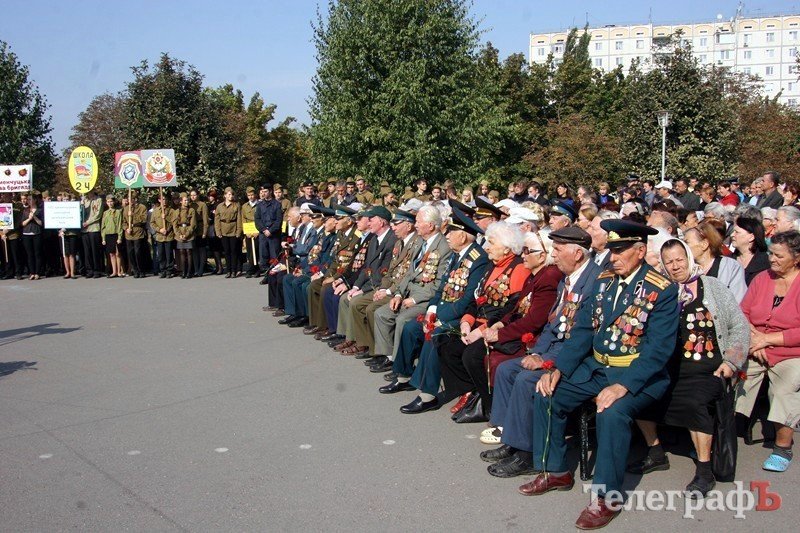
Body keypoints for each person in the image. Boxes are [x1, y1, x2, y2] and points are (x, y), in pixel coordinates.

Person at [521, 219, 678, 530]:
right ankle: (555, 471)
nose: (613, 257)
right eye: (611, 250)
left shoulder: (661, 289)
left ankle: (607, 497)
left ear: (640, 251)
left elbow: (658, 351)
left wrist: (623, 386)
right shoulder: (604, 281)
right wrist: (558, 369)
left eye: (620, 251)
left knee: (611, 411)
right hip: (598, 366)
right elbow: (582, 331)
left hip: (638, 375)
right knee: (548, 392)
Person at [630, 239, 749, 497]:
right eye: (669, 262)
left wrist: (731, 362)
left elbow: (739, 326)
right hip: (672, 367)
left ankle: (704, 471)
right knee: (638, 393)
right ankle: (655, 451)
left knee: (694, 402)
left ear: (689, 258)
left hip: (709, 367)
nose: (675, 266)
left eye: (679, 259)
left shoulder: (713, 286)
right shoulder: (662, 291)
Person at [481, 227, 601, 477]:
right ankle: (511, 440)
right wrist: (536, 352)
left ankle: (526, 454)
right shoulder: (567, 279)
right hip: (555, 348)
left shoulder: (595, 282)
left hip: (576, 357)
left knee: (526, 380)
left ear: (577, 254)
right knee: (507, 369)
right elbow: (551, 326)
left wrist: (546, 359)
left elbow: (584, 337)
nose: (553, 255)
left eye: (557, 249)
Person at [388, 207, 489, 413]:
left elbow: (468, 299)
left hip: (460, 317)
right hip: (442, 310)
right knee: (411, 328)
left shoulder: (478, 259)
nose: (447, 235)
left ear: (463, 235)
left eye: (451, 232)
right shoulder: (456, 255)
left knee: (435, 335)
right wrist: (431, 311)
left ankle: (427, 395)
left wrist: (438, 318)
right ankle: (403, 375)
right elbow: (442, 288)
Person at [736, 230, 800, 472]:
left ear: (796, 258)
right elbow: (743, 312)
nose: (772, 259)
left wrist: (768, 339)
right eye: (771, 253)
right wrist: (755, 338)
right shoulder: (762, 278)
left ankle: (783, 446)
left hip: (791, 352)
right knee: (728, 372)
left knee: (784, 388)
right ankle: (721, 432)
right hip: (754, 344)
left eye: (779, 256)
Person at [368, 206, 451, 370]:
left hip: (424, 299)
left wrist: (414, 299)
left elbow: (439, 284)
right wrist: (398, 294)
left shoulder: (443, 248)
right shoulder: (420, 243)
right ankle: (389, 357)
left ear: (430, 225)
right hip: (407, 294)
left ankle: (400, 366)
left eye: (419, 222)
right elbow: (408, 274)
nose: (416, 225)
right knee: (382, 314)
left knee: (402, 320)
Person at [684, 221, 747, 302]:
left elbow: (738, 300)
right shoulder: (686, 269)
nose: (683, 247)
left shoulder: (731, 267)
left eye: (686, 243)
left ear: (704, 244)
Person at [732, 216, 770, 285]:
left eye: (737, 232)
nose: (732, 235)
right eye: (733, 231)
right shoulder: (728, 260)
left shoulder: (765, 263)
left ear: (751, 237)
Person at [255, 183, 282, 279]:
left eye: (265, 191)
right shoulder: (259, 205)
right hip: (263, 234)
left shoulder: (277, 204)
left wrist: (270, 230)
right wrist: (263, 229)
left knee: (274, 256)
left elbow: (278, 220)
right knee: (264, 256)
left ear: (270, 191)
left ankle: (274, 277)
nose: (263, 193)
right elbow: (257, 219)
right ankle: (267, 276)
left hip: (273, 234)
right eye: (262, 192)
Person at [215, 187, 243, 278]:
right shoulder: (220, 206)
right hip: (223, 230)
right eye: (229, 194)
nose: (231, 196)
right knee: (226, 251)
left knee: (233, 251)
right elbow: (217, 220)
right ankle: (228, 270)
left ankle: (234, 270)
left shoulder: (236, 205)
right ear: (225, 195)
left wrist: (239, 231)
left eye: (232, 194)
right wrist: (218, 231)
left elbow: (239, 219)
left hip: (233, 229)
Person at [122, 189, 149, 278]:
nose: (129, 200)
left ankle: (141, 270)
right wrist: (126, 228)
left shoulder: (142, 207)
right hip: (129, 233)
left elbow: (143, 219)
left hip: (138, 232)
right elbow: (123, 221)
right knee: (131, 253)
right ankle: (135, 270)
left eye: (131, 198)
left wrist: (133, 214)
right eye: (128, 198)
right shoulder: (126, 209)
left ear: (135, 199)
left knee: (138, 252)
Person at [150, 193, 177, 278]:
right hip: (159, 236)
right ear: (159, 200)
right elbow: (152, 223)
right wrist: (159, 229)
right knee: (161, 254)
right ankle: (163, 270)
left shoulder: (171, 210)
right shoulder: (155, 211)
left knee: (169, 254)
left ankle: (169, 270)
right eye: (162, 199)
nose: (164, 201)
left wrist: (167, 228)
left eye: (165, 199)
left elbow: (173, 222)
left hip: (168, 235)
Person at [81, 189, 104, 278]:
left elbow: (98, 214)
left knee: (95, 250)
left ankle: (97, 270)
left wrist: (88, 222)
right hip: (84, 230)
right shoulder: (84, 200)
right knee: (87, 251)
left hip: (94, 228)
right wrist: (81, 204)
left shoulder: (98, 200)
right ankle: (89, 270)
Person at [21, 193, 44, 280]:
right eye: (28, 199)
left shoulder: (39, 210)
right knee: (29, 254)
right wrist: (29, 219)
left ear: (34, 200)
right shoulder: (25, 210)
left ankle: (38, 272)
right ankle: (32, 272)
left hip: (37, 233)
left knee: (37, 253)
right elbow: (22, 223)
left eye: (30, 199)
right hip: (26, 234)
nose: (28, 201)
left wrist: (34, 217)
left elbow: (41, 223)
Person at [173, 192, 197, 278]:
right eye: (185, 200)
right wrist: (179, 235)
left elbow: (193, 224)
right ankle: (183, 271)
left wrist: (186, 235)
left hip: (189, 233)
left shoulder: (191, 210)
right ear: (181, 201)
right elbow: (174, 225)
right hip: (179, 233)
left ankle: (189, 272)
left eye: (187, 200)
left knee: (189, 252)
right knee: (182, 252)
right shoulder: (176, 211)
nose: (186, 202)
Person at [100, 195, 124, 278]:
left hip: (116, 234)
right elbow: (103, 226)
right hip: (108, 235)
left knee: (117, 254)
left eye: (111, 201)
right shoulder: (105, 213)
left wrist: (119, 237)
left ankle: (119, 271)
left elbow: (120, 225)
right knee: (111, 254)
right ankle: (114, 271)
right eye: (108, 202)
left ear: (114, 202)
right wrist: (103, 238)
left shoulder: (118, 212)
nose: (110, 203)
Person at [240, 187, 260, 278]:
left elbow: (262, 218)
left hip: (257, 229)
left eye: (252, 195)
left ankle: (255, 269)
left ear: (255, 195)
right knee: (250, 251)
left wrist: (258, 231)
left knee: (256, 250)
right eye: (249, 195)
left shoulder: (260, 204)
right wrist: (246, 232)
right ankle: (252, 268)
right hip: (248, 230)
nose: (251, 197)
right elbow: (243, 219)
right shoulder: (244, 206)